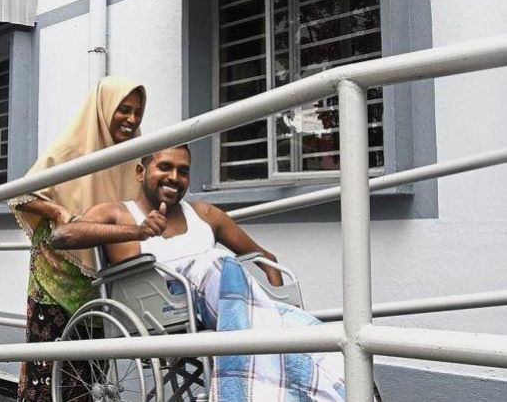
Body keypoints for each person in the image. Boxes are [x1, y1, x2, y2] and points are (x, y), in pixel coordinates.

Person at [49, 146, 371, 402]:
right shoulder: (118, 213)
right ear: (140, 171)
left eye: (183, 171)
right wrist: (137, 231)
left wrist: (277, 301)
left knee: (328, 342)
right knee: (217, 262)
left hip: (237, 309)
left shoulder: (204, 214)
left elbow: (266, 259)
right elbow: (62, 236)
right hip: (165, 310)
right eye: (165, 167)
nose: (174, 177)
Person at [8, 75, 146, 402]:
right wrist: (57, 210)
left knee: (88, 374)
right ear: (104, 108)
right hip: (56, 276)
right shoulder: (70, 149)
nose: (131, 119)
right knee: (48, 368)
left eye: (137, 112)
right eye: (124, 109)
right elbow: (20, 195)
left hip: (100, 279)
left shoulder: (137, 155)